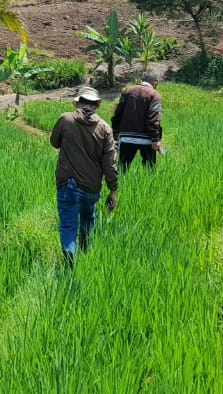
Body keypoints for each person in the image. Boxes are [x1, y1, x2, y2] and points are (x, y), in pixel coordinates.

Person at [49, 86, 118, 268]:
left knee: (68, 224)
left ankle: (69, 256)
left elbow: (54, 142)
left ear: (77, 103)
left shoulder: (66, 119)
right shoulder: (105, 128)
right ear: (97, 105)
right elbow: (110, 163)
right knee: (88, 219)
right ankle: (85, 252)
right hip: (92, 187)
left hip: (68, 184)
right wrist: (113, 189)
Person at [111, 73, 162, 171]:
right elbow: (153, 118)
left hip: (126, 137)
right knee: (149, 171)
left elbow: (118, 112)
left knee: (122, 170)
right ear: (155, 83)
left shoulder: (127, 91)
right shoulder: (154, 94)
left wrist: (115, 131)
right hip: (147, 139)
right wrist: (155, 139)